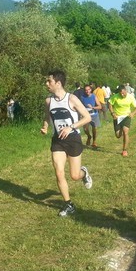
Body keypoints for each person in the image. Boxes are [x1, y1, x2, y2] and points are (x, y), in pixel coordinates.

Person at [40, 70, 93, 217]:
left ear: (58, 83)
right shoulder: (48, 101)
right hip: (57, 140)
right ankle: (68, 204)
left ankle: (84, 173)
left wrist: (71, 127)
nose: (46, 84)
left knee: (74, 175)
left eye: (48, 81)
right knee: (58, 171)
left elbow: (87, 117)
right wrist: (45, 127)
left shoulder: (72, 99)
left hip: (73, 139)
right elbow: (47, 116)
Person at [108, 85, 136, 157]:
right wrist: (112, 113)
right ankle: (121, 130)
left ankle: (124, 150)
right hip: (117, 117)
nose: (122, 94)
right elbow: (110, 104)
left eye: (123, 93)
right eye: (120, 93)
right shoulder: (115, 97)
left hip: (126, 116)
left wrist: (132, 114)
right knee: (118, 135)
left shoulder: (130, 97)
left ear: (126, 90)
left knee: (126, 133)